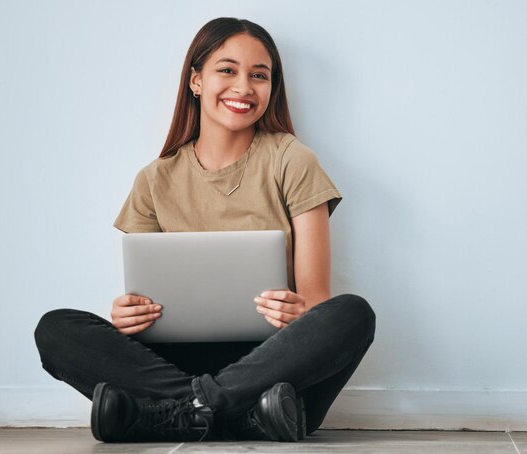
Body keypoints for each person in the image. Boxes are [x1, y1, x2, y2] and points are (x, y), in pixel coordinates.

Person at [34, 17, 375, 443]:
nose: (244, 87)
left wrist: (298, 310)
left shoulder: (293, 160)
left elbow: (317, 301)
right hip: (181, 363)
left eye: (259, 75)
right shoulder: (154, 180)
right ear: (196, 81)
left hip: (270, 363)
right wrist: (129, 317)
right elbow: (147, 293)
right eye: (227, 70)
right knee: (55, 328)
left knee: (352, 314)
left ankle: (168, 414)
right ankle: (235, 415)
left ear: (272, 88)